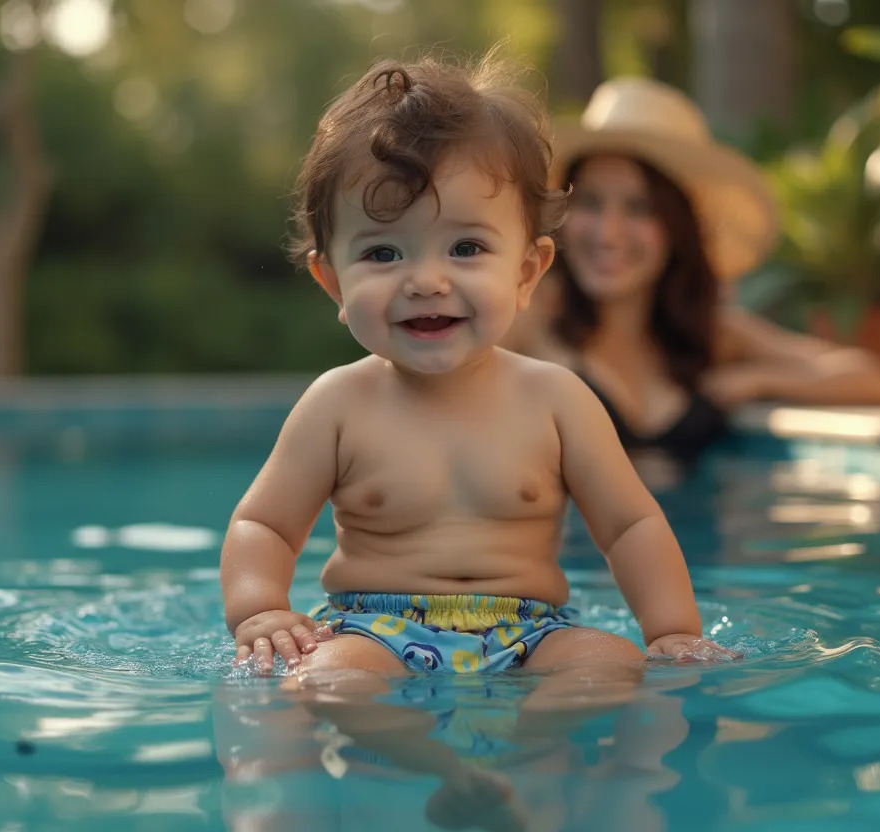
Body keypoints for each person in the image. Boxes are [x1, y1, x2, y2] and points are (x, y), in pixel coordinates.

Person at [219, 52, 732, 831]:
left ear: (528, 271)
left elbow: (631, 524)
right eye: (384, 253)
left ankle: (512, 754)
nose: (427, 279)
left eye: (466, 249)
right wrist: (258, 609)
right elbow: (262, 523)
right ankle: (433, 766)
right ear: (332, 282)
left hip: (529, 632)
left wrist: (673, 633)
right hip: (375, 628)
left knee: (614, 666)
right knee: (323, 680)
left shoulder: (556, 398)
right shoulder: (338, 404)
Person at [505, 77, 880, 464]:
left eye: (639, 208)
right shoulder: (529, 320)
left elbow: (872, 378)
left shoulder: (712, 334)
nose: (608, 233)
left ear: (677, 228)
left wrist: (758, 380)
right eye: (590, 203)